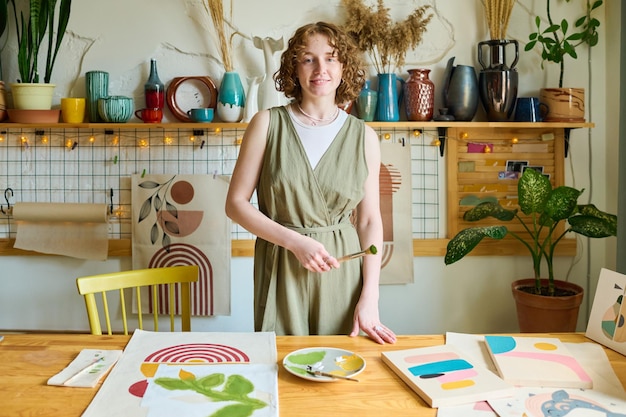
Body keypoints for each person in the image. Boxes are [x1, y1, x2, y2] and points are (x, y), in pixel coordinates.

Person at [225, 21, 396, 344]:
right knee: (280, 369)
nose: (321, 68)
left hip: (341, 270)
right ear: (294, 68)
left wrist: (370, 296)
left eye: (331, 58)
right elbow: (235, 205)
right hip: (281, 265)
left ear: (344, 67)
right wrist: (294, 242)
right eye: (308, 58)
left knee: (341, 369)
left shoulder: (364, 137)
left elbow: (370, 220)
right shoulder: (266, 124)